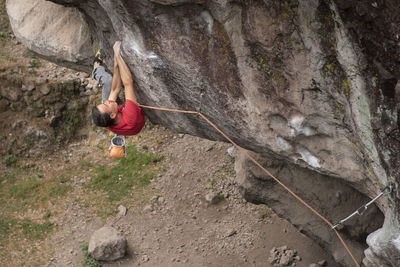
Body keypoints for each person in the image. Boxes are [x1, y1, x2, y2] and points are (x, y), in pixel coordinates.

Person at [91, 41, 145, 136]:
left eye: (104, 103)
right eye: (106, 105)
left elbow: (115, 89)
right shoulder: (130, 117)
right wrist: (117, 54)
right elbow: (128, 82)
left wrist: (116, 64)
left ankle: (96, 67)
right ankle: (96, 67)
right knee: (118, 89)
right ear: (112, 115)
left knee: (108, 82)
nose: (107, 101)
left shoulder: (104, 119)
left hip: (118, 114)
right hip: (129, 118)